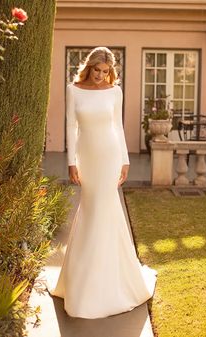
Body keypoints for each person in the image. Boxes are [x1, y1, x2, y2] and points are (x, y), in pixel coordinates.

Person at [50, 47, 157, 319]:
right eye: (97, 70)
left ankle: (110, 282)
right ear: (89, 67)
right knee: (91, 210)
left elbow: (117, 127)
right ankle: (81, 282)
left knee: (105, 212)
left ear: (110, 72)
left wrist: (124, 159)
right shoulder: (73, 89)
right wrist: (72, 162)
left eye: (105, 71)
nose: (100, 76)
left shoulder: (114, 91)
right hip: (87, 156)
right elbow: (71, 127)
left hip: (109, 155)